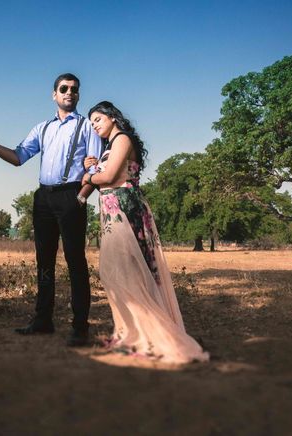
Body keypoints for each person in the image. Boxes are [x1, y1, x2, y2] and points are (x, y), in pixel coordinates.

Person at [81, 101, 209, 363]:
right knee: (116, 271)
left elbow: (109, 178)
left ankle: (150, 334)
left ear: (112, 117)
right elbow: (106, 175)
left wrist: (88, 178)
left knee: (129, 271)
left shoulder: (122, 140)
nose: (94, 125)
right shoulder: (111, 145)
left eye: (97, 119)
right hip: (112, 210)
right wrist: (91, 168)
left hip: (124, 209)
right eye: (91, 122)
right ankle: (132, 331)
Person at [0, 73, 102, 347]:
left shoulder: (87, 127)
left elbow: (95, 170)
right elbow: (18, 157)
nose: (69, 93)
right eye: (64, 88)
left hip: (72, 195)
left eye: (74, 89)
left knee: (75, 262)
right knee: (44, 261)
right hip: (44, 199)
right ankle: (42, 320)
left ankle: (80, 326)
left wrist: (81, 198)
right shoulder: (43, 129)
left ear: (78, 95)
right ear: (54, 94)